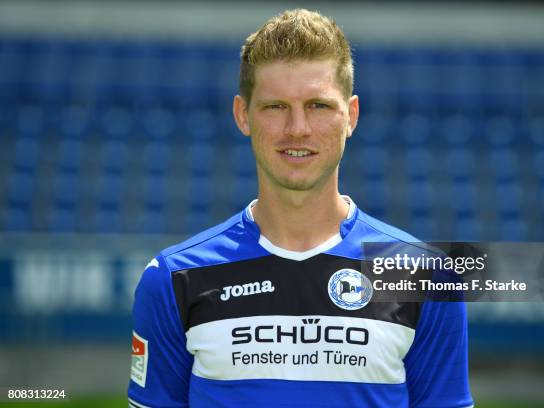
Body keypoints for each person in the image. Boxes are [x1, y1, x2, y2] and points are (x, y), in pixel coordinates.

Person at [128, 9, 473, 408]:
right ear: (243, 115)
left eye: (318, 106)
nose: (297, 129)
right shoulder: (173, 280)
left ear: (351, 116)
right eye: (275, 106)